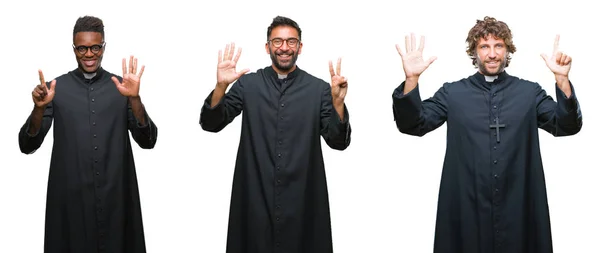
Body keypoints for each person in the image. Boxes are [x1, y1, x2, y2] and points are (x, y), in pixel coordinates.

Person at [392, 16, 582, 253]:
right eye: (484, 46)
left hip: (519, 207)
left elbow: (566, 125)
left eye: (498, 45)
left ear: (507, 49)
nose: (492, 54)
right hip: (467, 209)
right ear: (474, 51)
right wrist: (412, 80)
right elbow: (413, 124)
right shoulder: (453, 93)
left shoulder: (528, 92)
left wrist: (562, 81)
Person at [200, 15, 351, 253]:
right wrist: (221, 87)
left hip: (303, 200)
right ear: (267, 46)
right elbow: (211, 123)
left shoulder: (319, 89)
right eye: (277, 41)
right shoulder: (248, 85)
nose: (284, 48)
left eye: (291, 42)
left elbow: (338, 141)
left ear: (300, 47)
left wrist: (338, 104)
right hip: (255, 199)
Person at [18, 16, 157, 253]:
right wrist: (39, 109)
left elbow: (148, 140)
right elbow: (27, 144)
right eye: (82, 48)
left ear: (104, 47)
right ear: (74, 49)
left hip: (116, 199)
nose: (89, 54)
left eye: (95, 47)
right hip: (70, 204)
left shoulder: (122, 88)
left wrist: (134, 98)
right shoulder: (55, 89)